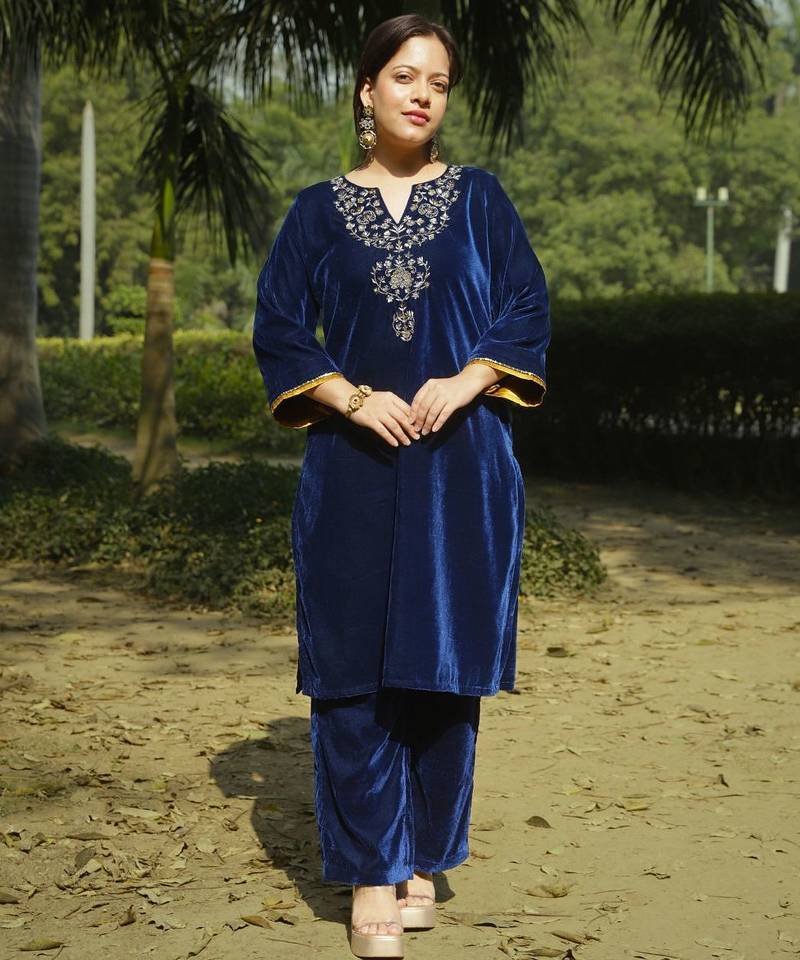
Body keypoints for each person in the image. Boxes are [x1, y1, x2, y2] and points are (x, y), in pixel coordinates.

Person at [252, 13, 551, 959]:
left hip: (464, 468)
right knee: (351, 671)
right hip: (352, 468)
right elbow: (278, 324)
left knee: (443, 665)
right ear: (367, 89)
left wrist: (467, 380)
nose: (423, 95)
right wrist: (349, 397)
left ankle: (424, 849)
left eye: (439, 82)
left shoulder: (481, 199)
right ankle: (372, 872)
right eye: (405, 76)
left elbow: (527, 303)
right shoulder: (315, 211)